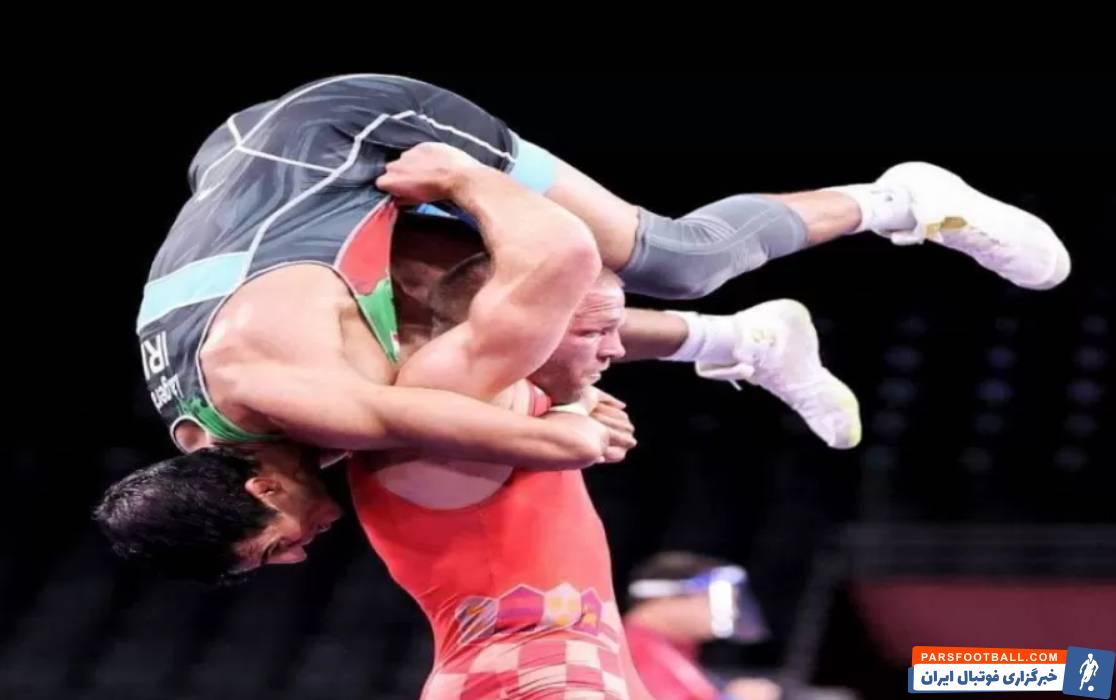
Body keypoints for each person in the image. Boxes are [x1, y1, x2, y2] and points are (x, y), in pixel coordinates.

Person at [133, 73, 1067, 462]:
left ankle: (899, 198)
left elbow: (559, 262)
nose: (298, 557)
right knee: (448, 339)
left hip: (356, 133)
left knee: (671, 258)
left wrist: (561, 421)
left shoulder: (271, 383)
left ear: (262, 484)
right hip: (279, 188)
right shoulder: (223, 423)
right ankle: (740, 342)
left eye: (276, 550)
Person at [624, 552, 780, 700]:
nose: (731, 611)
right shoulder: (634, 650)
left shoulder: (672, 652)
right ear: (665, 599)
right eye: (712, 599)